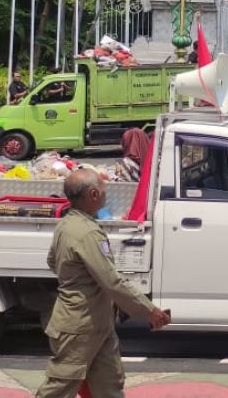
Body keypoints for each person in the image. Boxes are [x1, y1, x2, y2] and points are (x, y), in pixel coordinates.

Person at [36, 170, 170, 398]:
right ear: (93, 194)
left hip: (97, 323)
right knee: (60, 387)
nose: (107, 192)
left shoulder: (67, 224)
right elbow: (111, 281)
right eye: (103, 188)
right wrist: (149, 310)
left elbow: (53, 261)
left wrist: (77, 279)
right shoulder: (88, 233)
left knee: (109, 386)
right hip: (80, 326)